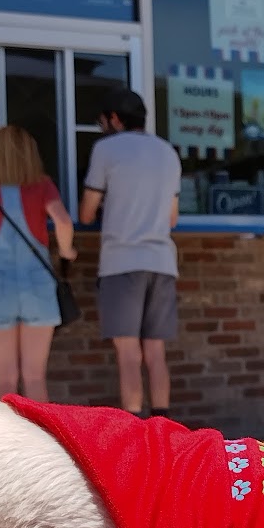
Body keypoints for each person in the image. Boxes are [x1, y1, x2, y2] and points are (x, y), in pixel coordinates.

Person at [80, 86, 182, 417]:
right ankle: (164, 424)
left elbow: (86, 212)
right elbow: (172, 217)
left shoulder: (106, 149)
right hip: (162, 261)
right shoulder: (168, 152)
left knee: (127, 352)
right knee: (155, 351)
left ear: (114, 118)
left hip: (121, 260)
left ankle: (135, 425)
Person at [0, 125, 76, 400]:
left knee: (4, 380)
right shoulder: (41, 186)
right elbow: (62, 221)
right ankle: (39, 441)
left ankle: (5, 441)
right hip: (37, 284)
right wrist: (66, 251)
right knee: (35, 377)